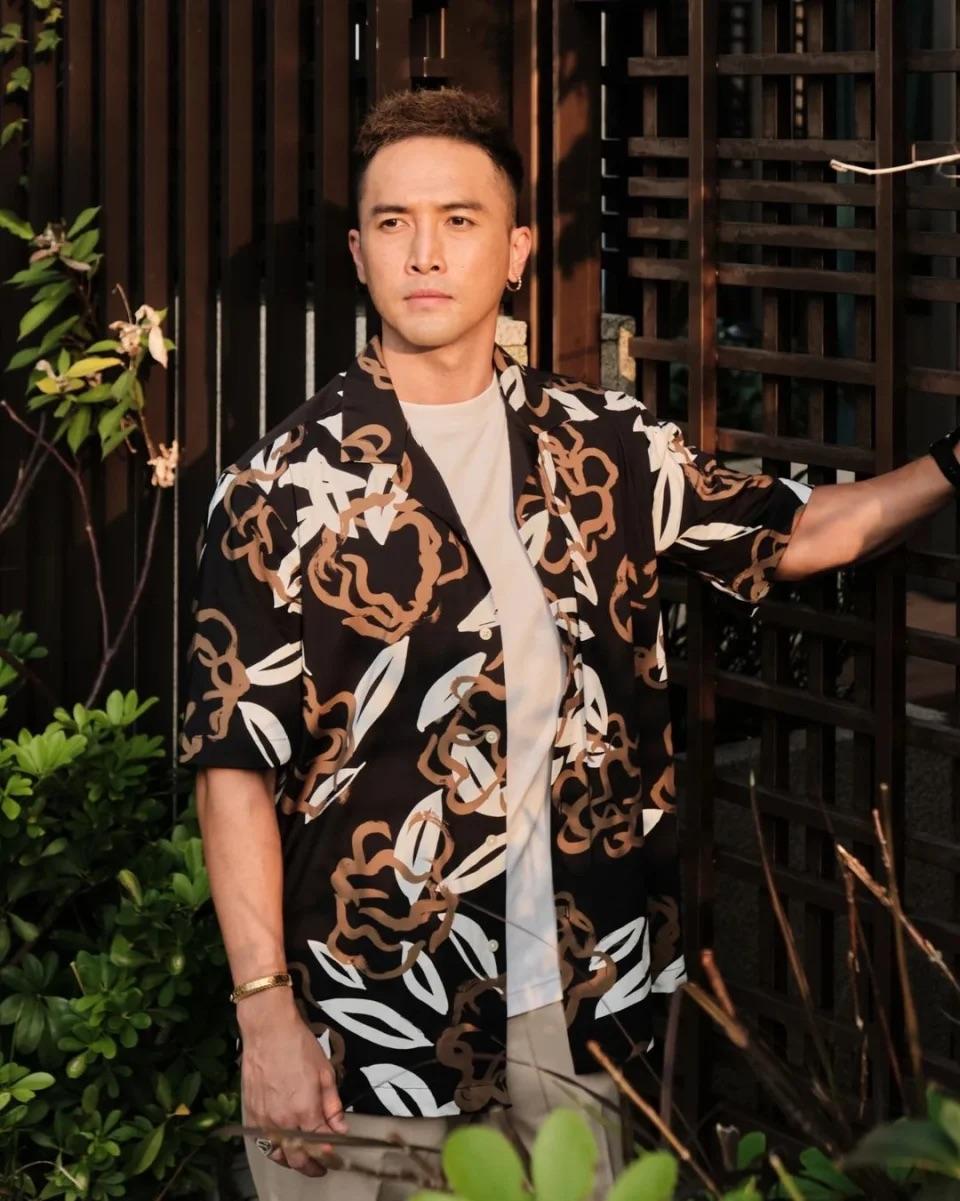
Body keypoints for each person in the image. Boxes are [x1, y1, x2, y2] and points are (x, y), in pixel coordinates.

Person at [179, 86, 960, 1200]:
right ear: (359, 253)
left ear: (515, 252)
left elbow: (791, 531)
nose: (425, 252)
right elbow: (233, 765)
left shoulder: (604, 443)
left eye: (460, 219)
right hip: (374, 1018)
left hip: (589, 996)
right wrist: (265, 1015)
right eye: (395, 222)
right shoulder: (279, 488)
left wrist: (950, 465)